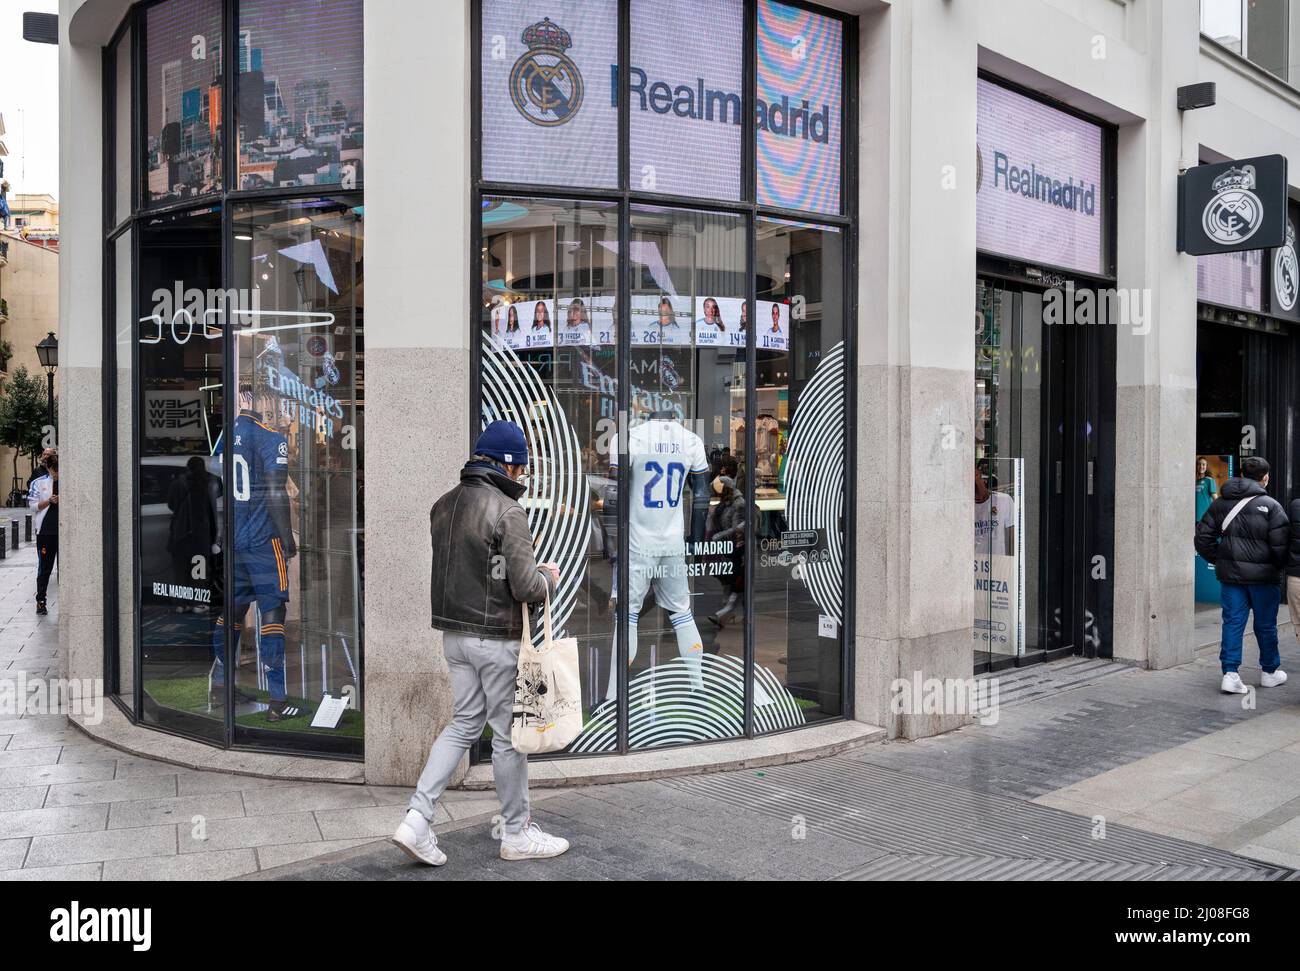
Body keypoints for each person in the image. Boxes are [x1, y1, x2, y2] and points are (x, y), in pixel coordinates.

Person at [392, 420, 568, 866]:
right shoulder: (508, 511)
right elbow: (526, 587)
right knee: (509, 738)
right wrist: (547, 577)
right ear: (508, 463)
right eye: (523, 465)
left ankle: (417, 817)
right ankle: (517, 833)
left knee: (463, 725)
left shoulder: (444, 504)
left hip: (454, 637)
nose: (525, 474)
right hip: (496, 639)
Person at [210, 388, 300, 718]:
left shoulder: (224, 437)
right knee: (272, 613)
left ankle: (221, 685)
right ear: (261, 404)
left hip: (235, 539)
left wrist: (221, 535)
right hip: (263, 542)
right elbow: (275, 490)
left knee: (232, 613)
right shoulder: (269, 437)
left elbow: (218, 490)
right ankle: (278, 699)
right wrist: (286, 536)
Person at [1195, 455, 1289, 694]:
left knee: (1233, 623)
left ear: (1241, 474)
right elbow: (1281, 548)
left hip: (1231, 577)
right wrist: (1276, 567)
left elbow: (1202, 539)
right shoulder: (1271, 505)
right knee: (1266, 625)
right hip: (1264, 579)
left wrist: (1221, 559)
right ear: (1265, 477)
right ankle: (1269, 672)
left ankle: (1230, 674)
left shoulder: (1220, 503)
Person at [166, 456, 220, 613]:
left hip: (180, 534)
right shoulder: (207, 484)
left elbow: (171, 504)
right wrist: (213, 537)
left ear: (188, 467)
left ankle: (180, 604)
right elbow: (211, 512)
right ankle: (197, 603)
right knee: (199, 571)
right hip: (200, 535)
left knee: (180, 571)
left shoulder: (177, 484)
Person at [27, 451, 59, 615]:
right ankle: (41, 601)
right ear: (49, 469)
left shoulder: (68, 482)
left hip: (65, 531)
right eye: (55, 470)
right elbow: (32, 506)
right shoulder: (38, 483)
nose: (57, 474)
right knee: (45, 568)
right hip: (46, 532)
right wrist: (49, 501)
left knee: (66, 569)